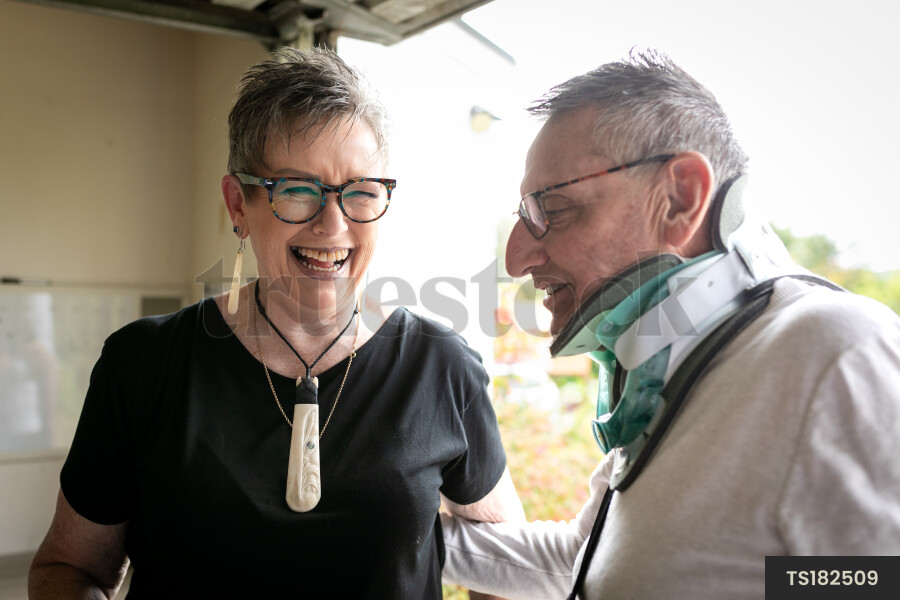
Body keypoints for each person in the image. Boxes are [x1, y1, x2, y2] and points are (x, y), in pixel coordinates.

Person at [28, 46, 523, 599]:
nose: (332, 225)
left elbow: (509, 574)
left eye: (360, 192)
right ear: (238, 204)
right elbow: (69, 568)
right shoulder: (144, 363)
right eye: (297, 190)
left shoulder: (441, 366)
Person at [440, 49, 900, 599]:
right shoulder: (673, 367)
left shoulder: (833, 349)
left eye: (554, 210)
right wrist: (389, 528)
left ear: (681, 197)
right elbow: (583, 560)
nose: (516, 260)